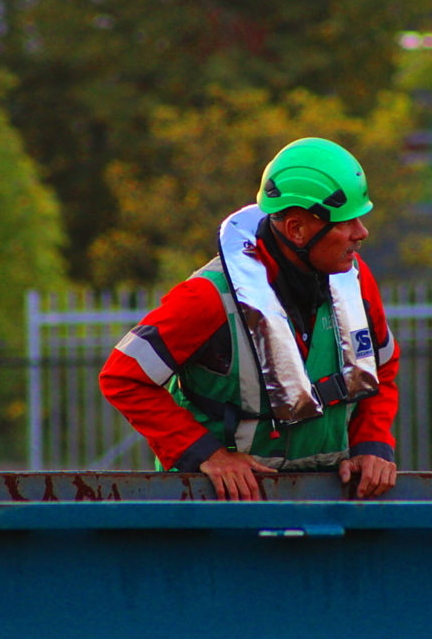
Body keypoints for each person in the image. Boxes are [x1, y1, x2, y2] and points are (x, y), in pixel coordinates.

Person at [99, 137, 400, 500]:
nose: (361, 232)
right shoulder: (209, 298)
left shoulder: (356, 281)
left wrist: (373, 444)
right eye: (345, 221)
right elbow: (122, 376)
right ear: (296, 229)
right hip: (216, 507)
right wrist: (208, 455)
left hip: (325, 500)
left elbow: (382, 368)